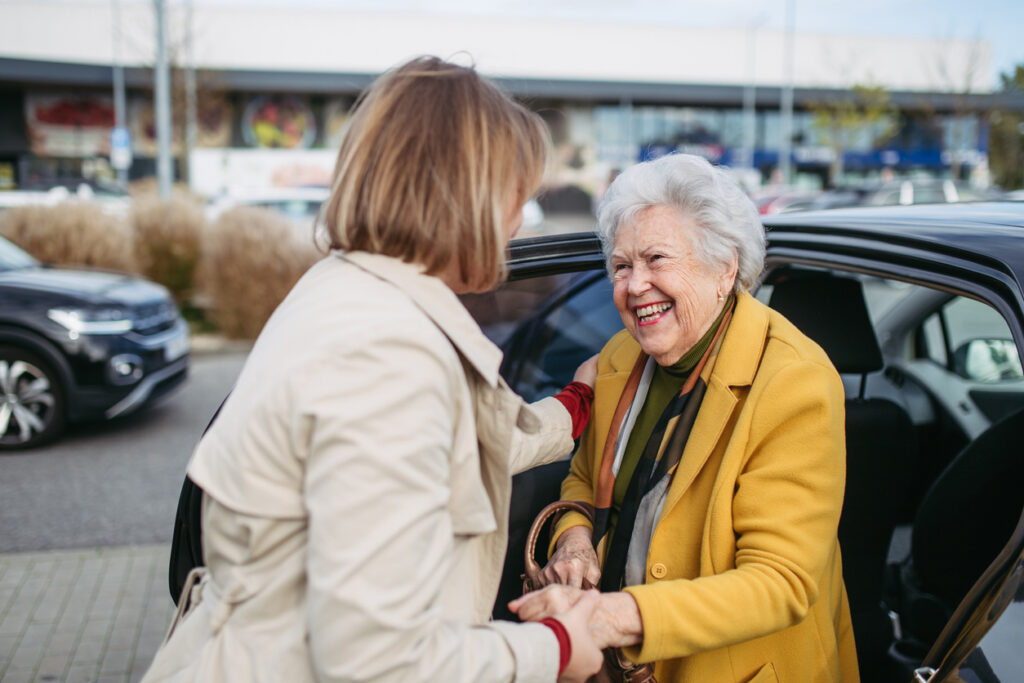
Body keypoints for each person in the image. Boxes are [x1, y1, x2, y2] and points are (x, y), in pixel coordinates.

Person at [142, 56, 605, 683]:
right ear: (463, 196)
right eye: (514, 198)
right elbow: (375, 660)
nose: (519, 222)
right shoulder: (387, 355)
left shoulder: (343, 290)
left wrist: (576, 404)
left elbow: (454, 445)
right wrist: (555, 647)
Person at [510, 153, 860, 682]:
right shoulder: (620, 357)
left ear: (724, 269)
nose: (634, 285)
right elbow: (584, 478)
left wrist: (614, 616)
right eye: (622, 266)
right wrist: (574, 539)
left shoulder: (795, 382)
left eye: (656, 259)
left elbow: (780, 582)